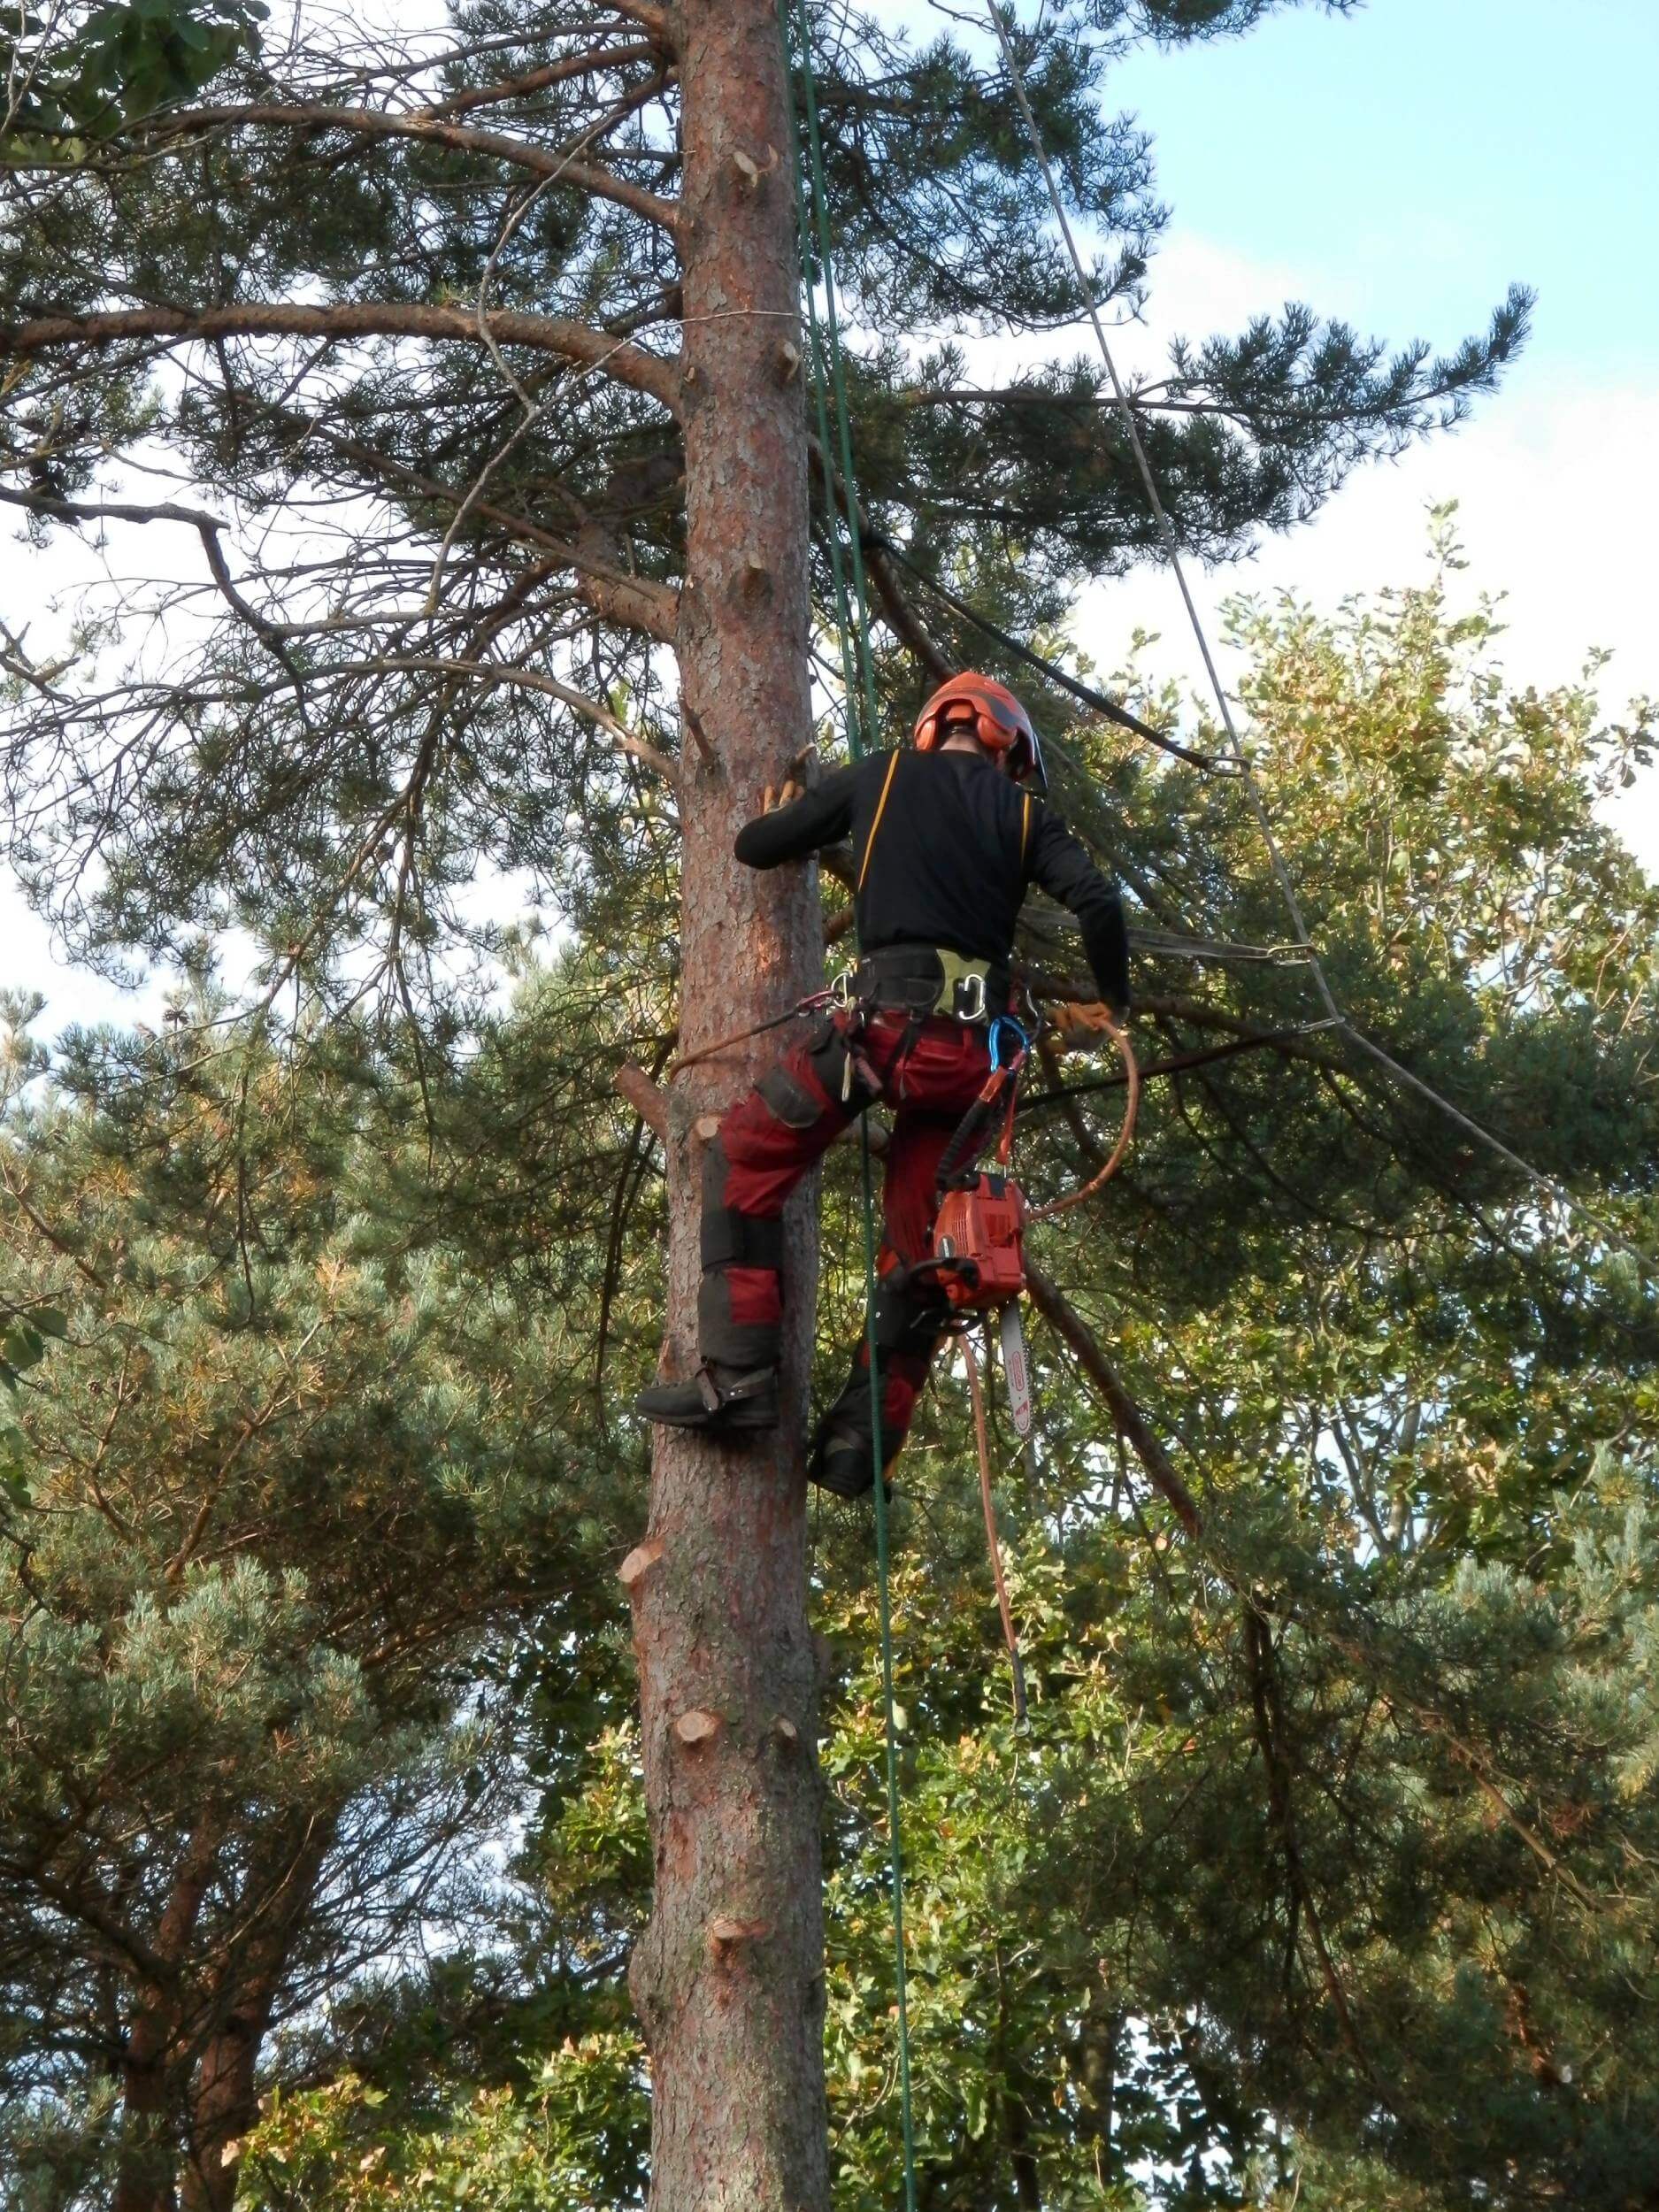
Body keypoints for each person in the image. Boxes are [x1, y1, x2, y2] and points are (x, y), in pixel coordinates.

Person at [636, 672, 1132, 1498]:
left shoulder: (881, 775)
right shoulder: (1021, 814)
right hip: (975, 1068)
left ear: (938, 727)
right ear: (1007, 746)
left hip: (883, 1038)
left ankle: (740, 1384)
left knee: (747, 1163)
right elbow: (1097, 900)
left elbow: (754, 848)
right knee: (922, 1255)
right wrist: (1109, 1003)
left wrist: (810, 811)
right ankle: (855, 1447)